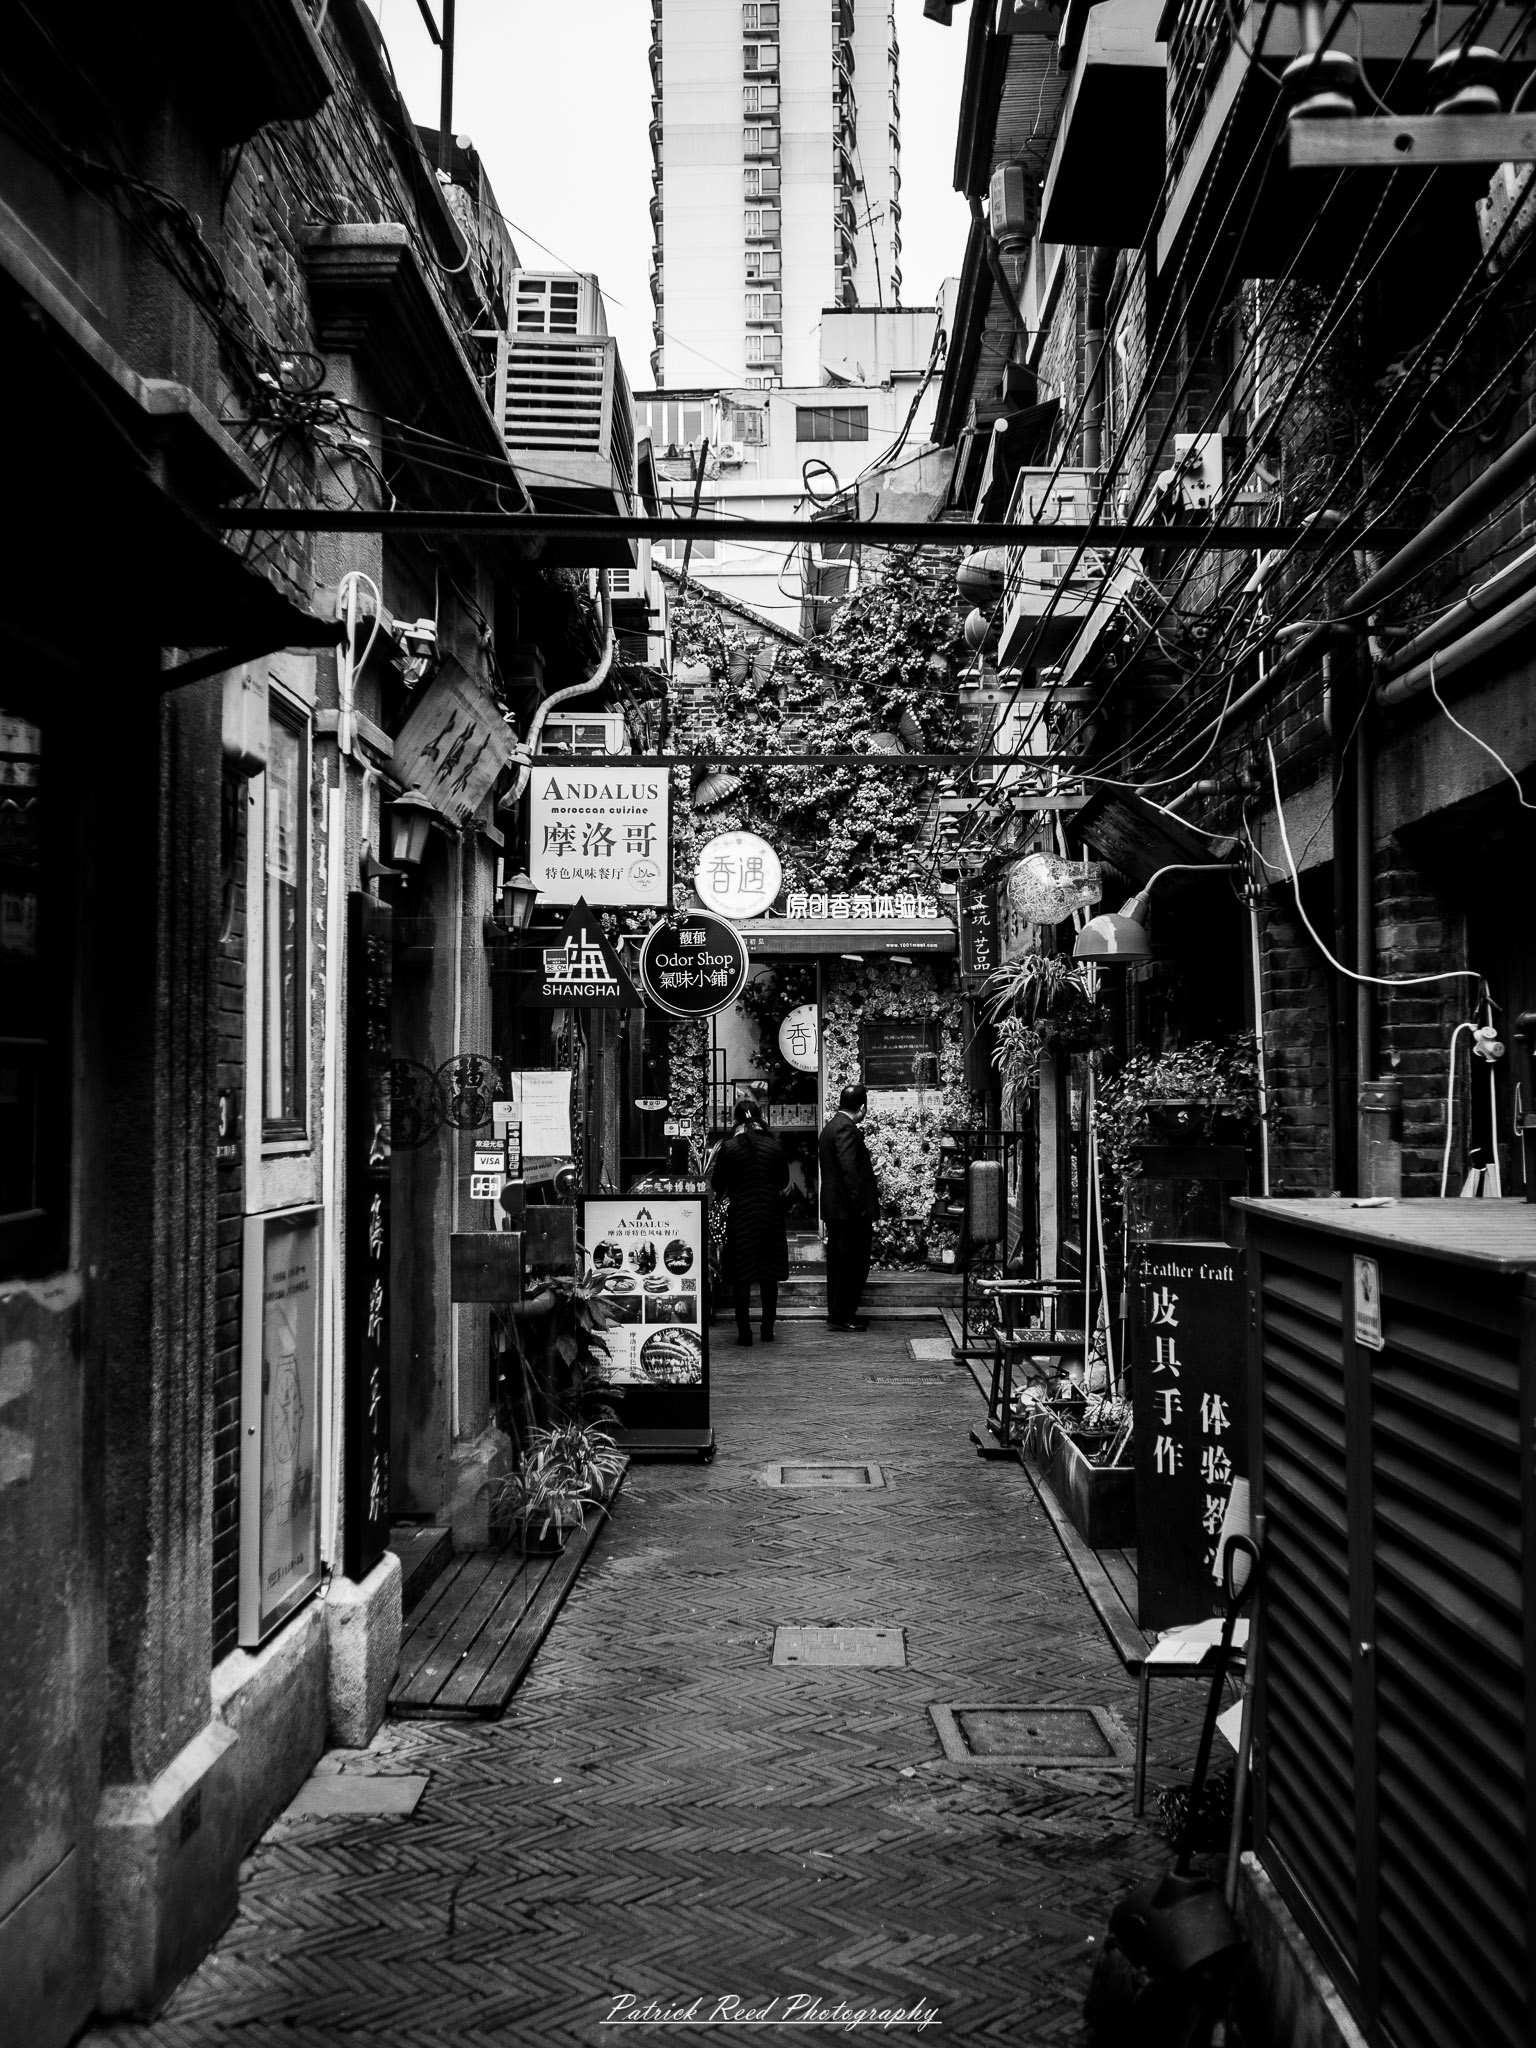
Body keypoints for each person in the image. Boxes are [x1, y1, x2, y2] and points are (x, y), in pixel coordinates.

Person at [709, 1099, 790, 1345]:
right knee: (769, 1276)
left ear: (736, 1120)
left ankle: (744, 1333)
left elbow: (717, 1185)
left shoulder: (730, 1148)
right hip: (770, 1218)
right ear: (760, 1116)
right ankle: (767, 1330)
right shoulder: (774, 1146)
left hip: (740, 1218)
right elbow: (783, 1181)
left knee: (741, 1277)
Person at [818, 1083, 880, 1332]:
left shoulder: (831, 1127)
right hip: (848, 1212)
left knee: (839, 1262)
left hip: (837, 1210)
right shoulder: (845, 1128)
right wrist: (861, 1209)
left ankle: (839, 1312)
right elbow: (849, 1172)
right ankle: (843, 1314)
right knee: (852, 1263)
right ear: (862, 1107)